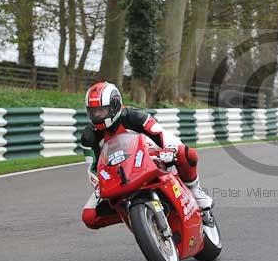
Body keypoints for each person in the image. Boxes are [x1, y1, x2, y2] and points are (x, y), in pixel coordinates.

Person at [80, 81, 214, 215]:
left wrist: (166, 151)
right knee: (89, 216)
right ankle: (132, 217)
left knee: (188, 154)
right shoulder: (89, 137)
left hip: (148, 157)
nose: (97, 115)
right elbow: (93, 168)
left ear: (115, 106)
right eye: (93, 111)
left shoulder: (135, 117)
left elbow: (162, 137)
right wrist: (99, 186)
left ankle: (196, 191)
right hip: (117, 173)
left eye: (101, 110)